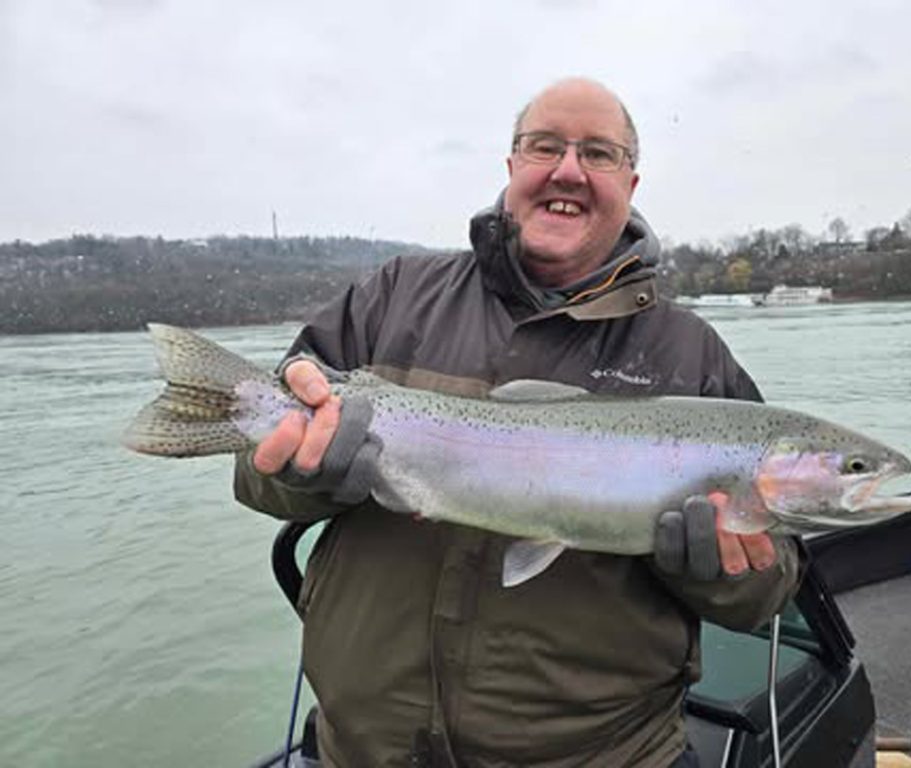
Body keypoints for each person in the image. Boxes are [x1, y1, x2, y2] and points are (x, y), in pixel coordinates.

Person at [235, 78, 800, 768]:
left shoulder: (692, 355)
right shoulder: (392, 297)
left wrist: (716, 572)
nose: (569, 171)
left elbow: (770, 593)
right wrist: (303, 474)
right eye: (545, 147)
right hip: (360, 751)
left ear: (631, 183)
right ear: (511, 166)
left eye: (598, 153)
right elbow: (254, 474)